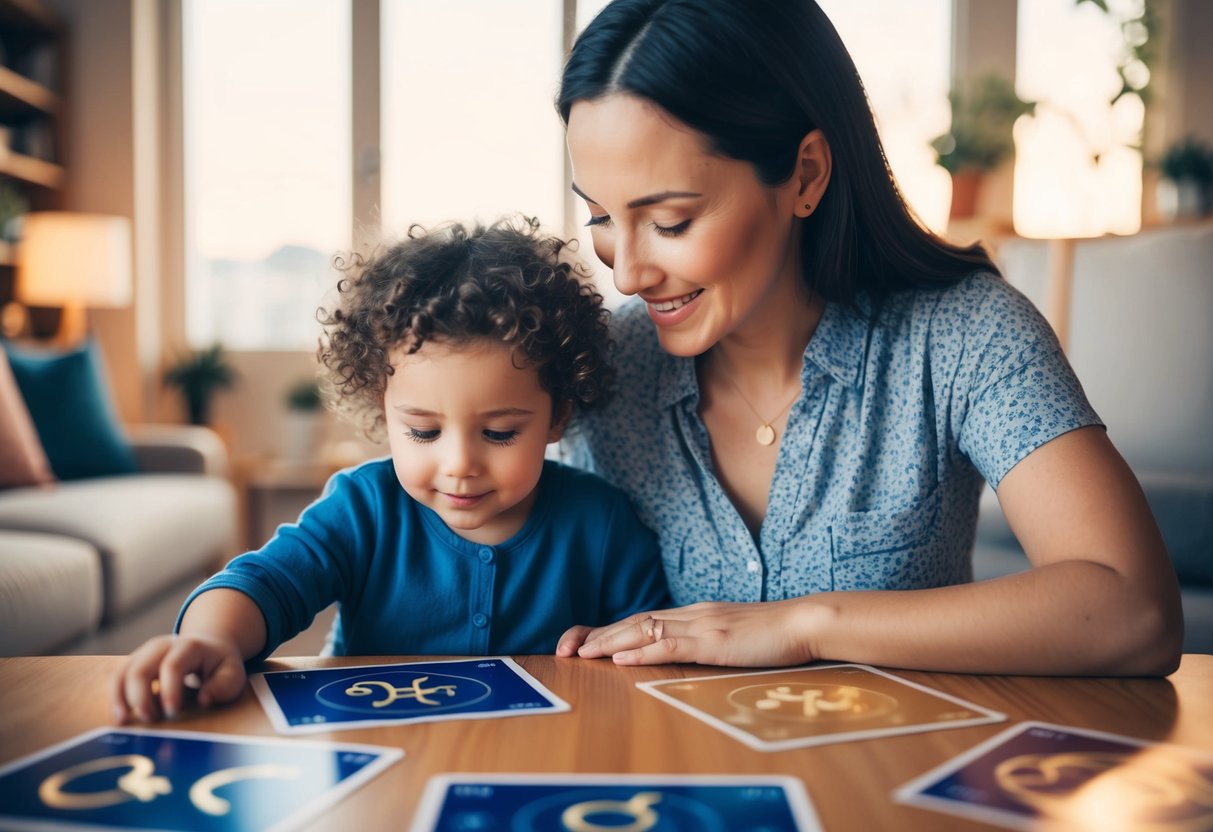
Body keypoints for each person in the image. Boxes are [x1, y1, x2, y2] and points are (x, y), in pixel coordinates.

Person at [553, 0, 1183, 675]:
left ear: (805, 174)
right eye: (599, 216)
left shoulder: (965, 335)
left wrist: (805, 625)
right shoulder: (607, 367)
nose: (627, 273)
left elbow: (1134, 610)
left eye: (670, 221)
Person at [111, 216, 669, 723]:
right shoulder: (364, 508)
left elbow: (655, 651)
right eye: (423, 432)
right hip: (375, 756)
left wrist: (611, 649)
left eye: (499, 432)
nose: (459, 465)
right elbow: (266, 582)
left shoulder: (603, 523)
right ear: (383, 408)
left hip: (536, 762)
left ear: (558, 415)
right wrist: (213, 640)